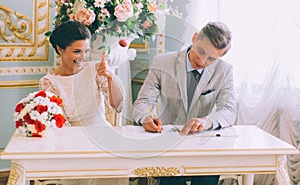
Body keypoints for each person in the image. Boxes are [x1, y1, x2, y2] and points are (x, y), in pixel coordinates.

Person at [132, 21, 237, 185]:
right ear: (195, 38)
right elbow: (142, 102)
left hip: (204, 145)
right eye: (201, 51)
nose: (202, 61)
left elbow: (229, 110)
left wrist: (207, 121)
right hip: (168, 143)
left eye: (211, 59)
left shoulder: (225, 70)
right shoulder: (162, 62)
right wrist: (145, 117)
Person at [39, 21, 127, 185]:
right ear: (60, 49)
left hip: (104, 135)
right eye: (77, 51)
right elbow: (61, 125)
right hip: (72, 140)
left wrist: (110, 77)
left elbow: (118, 106)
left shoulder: (96, 69)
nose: (83, 57)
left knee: (114, 157)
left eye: (86, 51)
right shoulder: (49, 82)